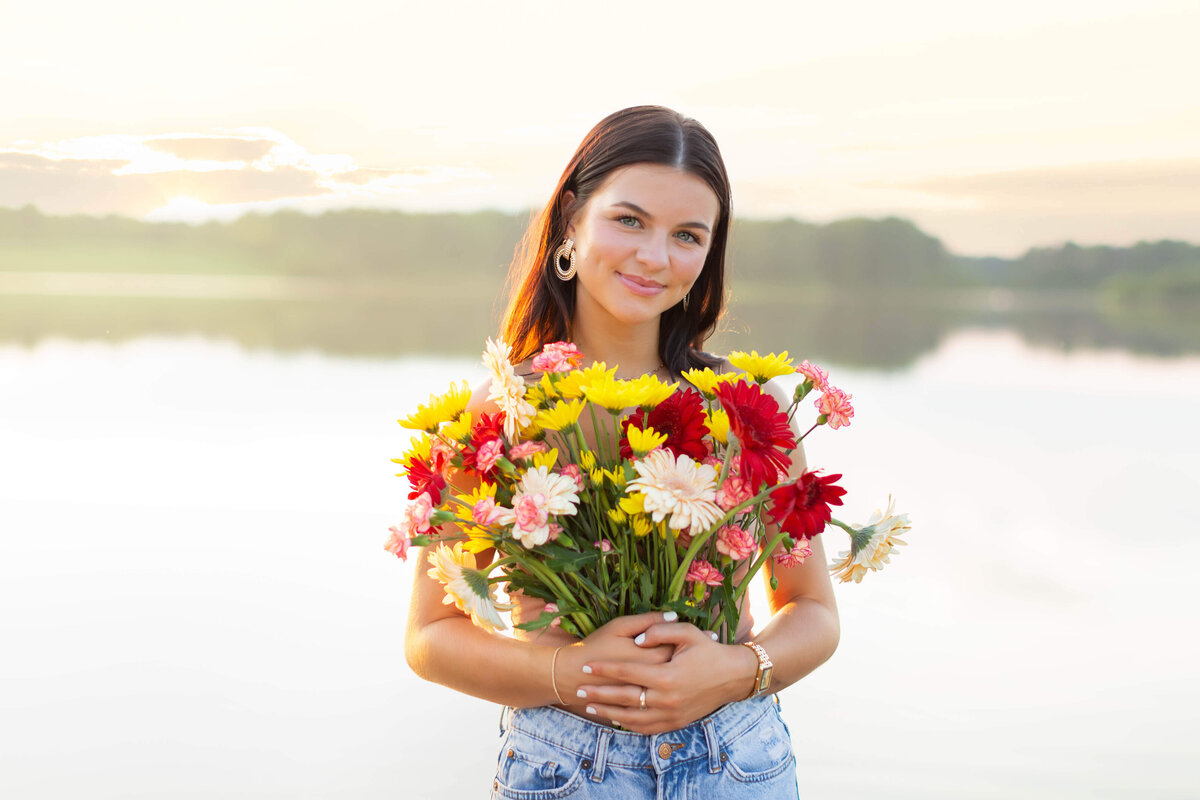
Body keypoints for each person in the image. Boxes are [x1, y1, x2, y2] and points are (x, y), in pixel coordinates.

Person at [404, 105, 840, 799]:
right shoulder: (503, 415)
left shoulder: (744, 410)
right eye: (629, 220)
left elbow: (813, 611)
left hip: (739, 762)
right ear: (572, 220)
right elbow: (430, 637)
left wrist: (735, 669)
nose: (654, 257)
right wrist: (568, 671)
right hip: (568, 768)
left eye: (687, 236)